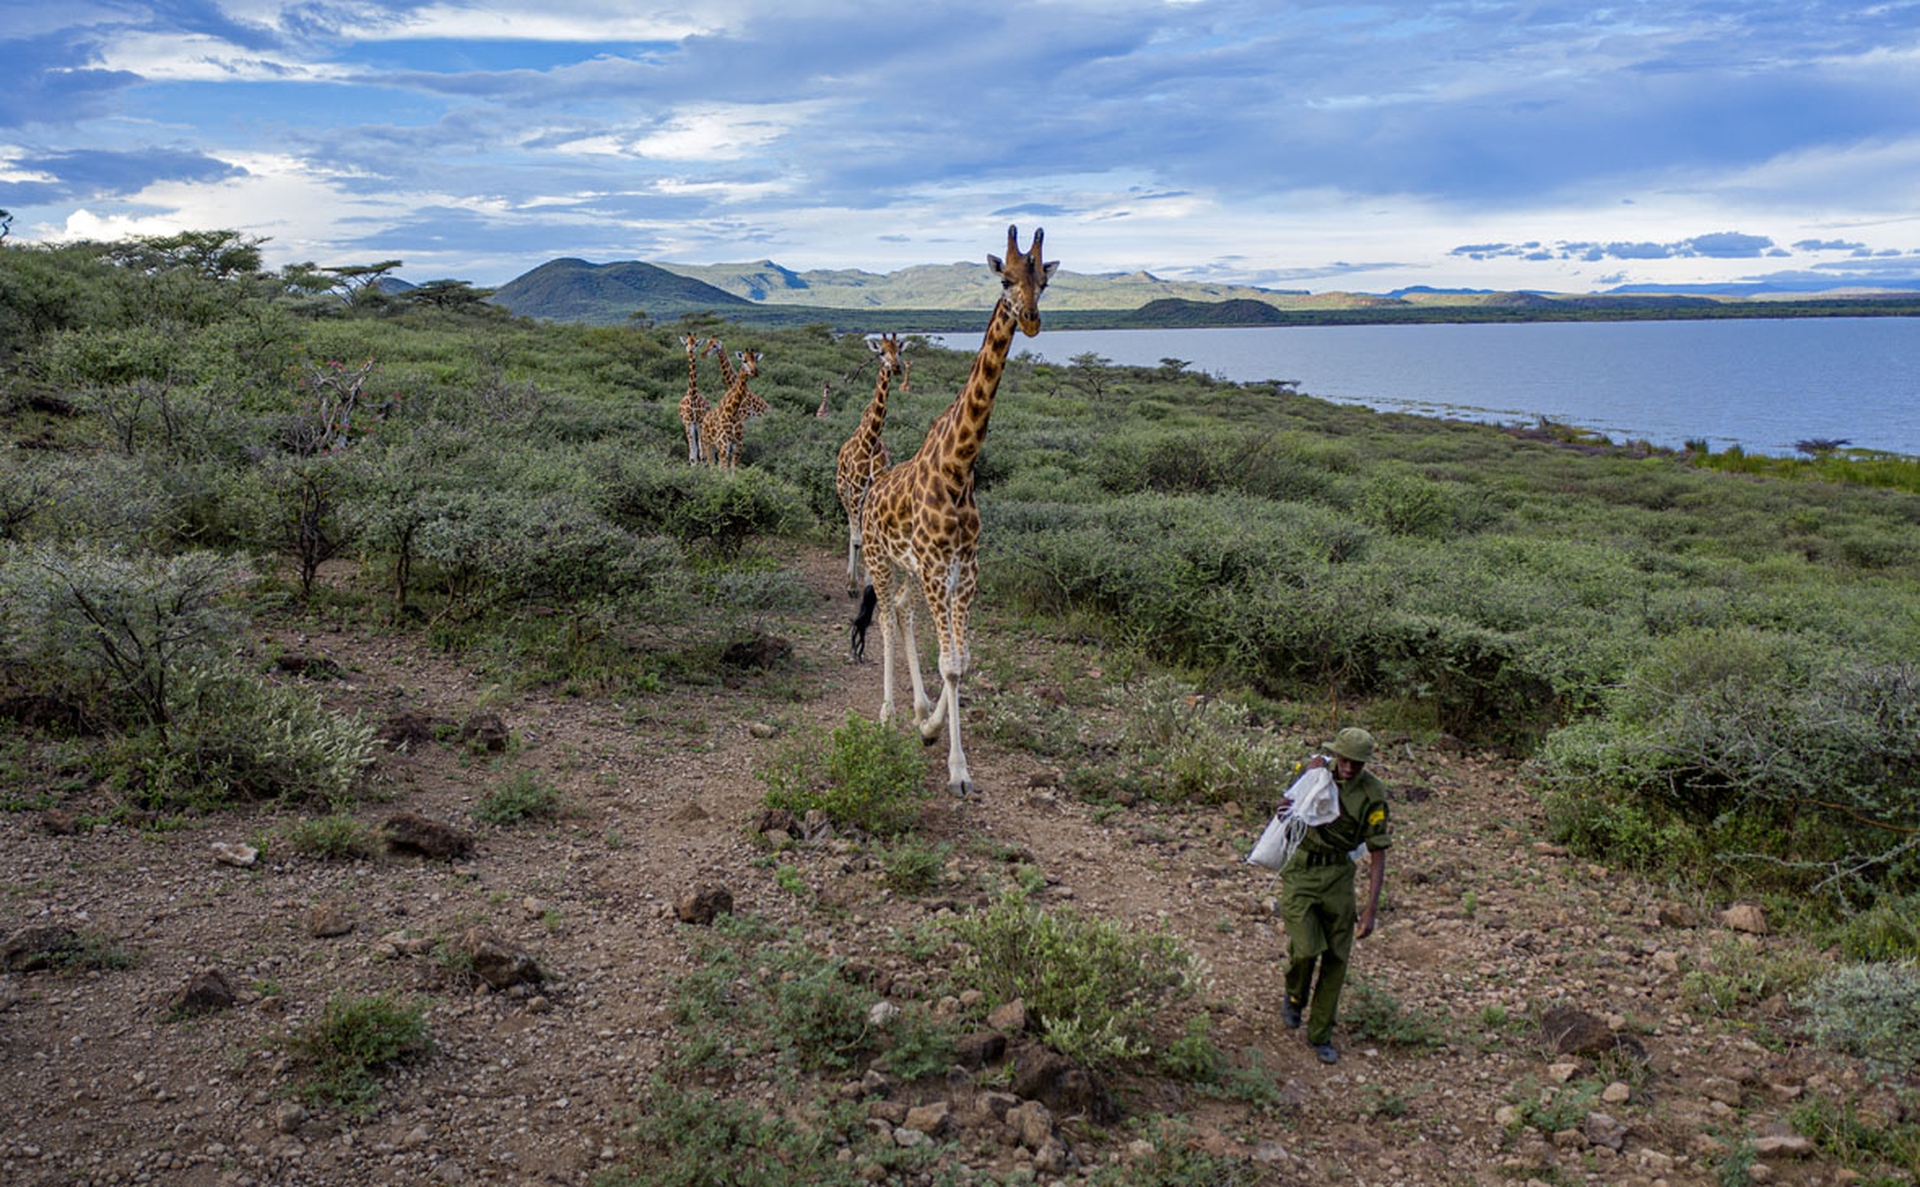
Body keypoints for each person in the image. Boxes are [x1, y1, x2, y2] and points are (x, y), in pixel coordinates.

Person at [1277, 726, 1391, 1065]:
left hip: (1339, 876)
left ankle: (1321, 1034)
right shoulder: (1311, 771)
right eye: (1345, 760)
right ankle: (1294, 995)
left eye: (1357, 763)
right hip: (1301, 871)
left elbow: (1378, 850)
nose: (1349, 767)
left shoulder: (1373, 793)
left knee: (1337, 958)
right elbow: (1284, 806)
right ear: (1335, 755)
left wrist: (1371, 909)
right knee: (1306, 949)